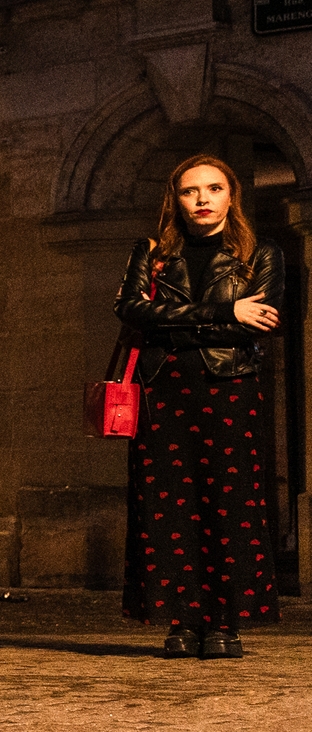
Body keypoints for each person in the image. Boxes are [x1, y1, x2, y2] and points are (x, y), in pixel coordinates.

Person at [114, 154, 286, 658]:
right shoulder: (151, 252)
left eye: (214, 189)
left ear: (232, 195)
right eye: (192, 191)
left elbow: (258, 322)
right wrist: (223, 310)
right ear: (177, 199)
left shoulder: (261, 254)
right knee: (167, 506)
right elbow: (131, 309)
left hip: (230, 387)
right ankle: (183, 620)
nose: (203, 200)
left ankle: (225, 623)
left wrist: (176, 320)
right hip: (162, 391)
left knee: (230, 504)